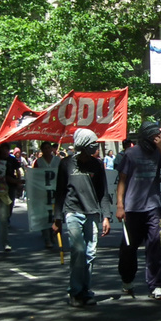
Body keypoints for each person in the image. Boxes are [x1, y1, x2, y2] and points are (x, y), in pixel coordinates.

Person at [52, 128, 111, 307]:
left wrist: (106, 217)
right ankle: (75, 291)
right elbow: (60, 192)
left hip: (92, 212)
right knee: (78, 251)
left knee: (90, 253)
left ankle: (86, 290)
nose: (91, 152)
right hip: (73, 212)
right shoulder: (66, 164)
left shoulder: (97, 165)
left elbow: (103, 193)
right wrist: (57, 218)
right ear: (81, 148)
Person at [116, 122, 161, 300]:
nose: (157, 139)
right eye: (154, 136)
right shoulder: (130, 153)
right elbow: (122, 180)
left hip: (153, 207)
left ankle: (156, 285)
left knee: (157, 245)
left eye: (159, 136)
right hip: (133, 208)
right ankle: (127, 280)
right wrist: (120, 205)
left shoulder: (159, 153)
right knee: (128, 248)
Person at [33, 141, 61, 249]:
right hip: (43, 193)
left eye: (48, 147)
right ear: (42, 150)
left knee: (55, 215)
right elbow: (35, 176)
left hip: (55, 192)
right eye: (44, 148)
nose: (47, 150)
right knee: (45, 216)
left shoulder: (58, 161)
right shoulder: (38, 162)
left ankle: (54, 234)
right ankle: (47, 238)